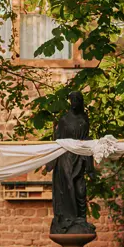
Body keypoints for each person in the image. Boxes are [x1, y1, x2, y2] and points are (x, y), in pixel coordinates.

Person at [46, 90, 96, 234]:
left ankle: (81, 219)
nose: (74, 103)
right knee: (68, 188)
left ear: (81, 102)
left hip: (80, 157)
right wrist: (51, 161)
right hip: (66, 159)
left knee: (81, 190)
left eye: (77, 100)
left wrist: (90, 166)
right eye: (72, 100)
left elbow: (87, 139)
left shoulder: (84, 118)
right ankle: (68, 219)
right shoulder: (64, 120)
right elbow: (57, 140)